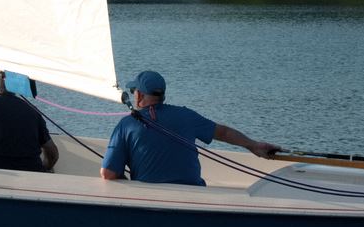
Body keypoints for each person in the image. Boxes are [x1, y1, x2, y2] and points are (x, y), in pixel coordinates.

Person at [99, 70, 279, 186]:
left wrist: (130, 184)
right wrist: (253, 145)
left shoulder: (127, 124)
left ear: (138, 95)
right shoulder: (187, 116)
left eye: (133, 91)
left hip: (151, 199)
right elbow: (223, 132)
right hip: (195, 193)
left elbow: (107, 173)